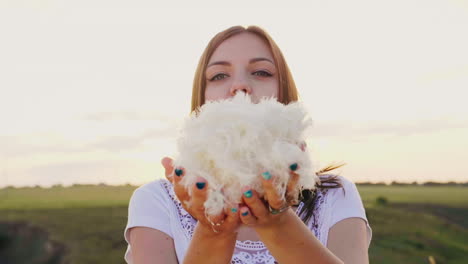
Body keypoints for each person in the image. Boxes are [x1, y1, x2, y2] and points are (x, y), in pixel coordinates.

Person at [123, 25, 372, 264]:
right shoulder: (155, 201)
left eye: (262, 72)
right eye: (219, 75)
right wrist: (213, 233)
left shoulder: (335, 195)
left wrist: (278, 225)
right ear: (202, 100)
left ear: (285, 94)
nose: (239, 86)